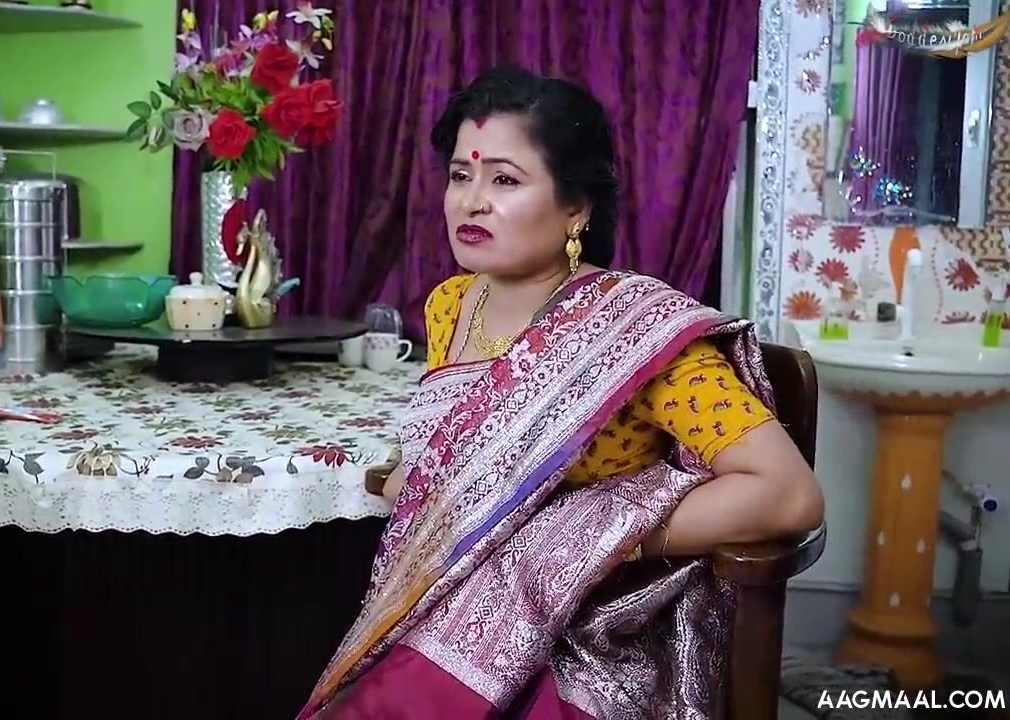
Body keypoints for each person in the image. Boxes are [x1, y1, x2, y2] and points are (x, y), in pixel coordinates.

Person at [300, 65, 824, 719]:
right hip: (453, 612)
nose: (471, 202)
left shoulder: (633, 329)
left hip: (594, 634)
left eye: (505, 181)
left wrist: (591, 532)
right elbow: (477, 464)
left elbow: (788, 494)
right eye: (461, 176)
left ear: (576, 206)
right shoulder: (451, 305)